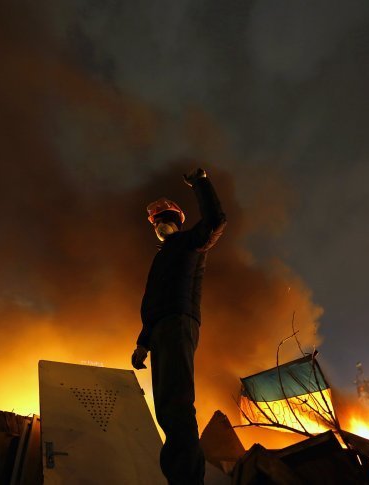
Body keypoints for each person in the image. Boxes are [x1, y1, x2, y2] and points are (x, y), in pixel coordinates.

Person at [131, 168, 226, 485]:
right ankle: (179, 477)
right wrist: (143, 343)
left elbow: (216, 219)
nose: (158, 226)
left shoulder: (190, 243)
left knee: (177, 405)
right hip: (160, 331)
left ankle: (187, 480)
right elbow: (152, 303)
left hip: (178, 325)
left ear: (175, 221)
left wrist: (201, 182)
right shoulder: (161, 258)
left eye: (162, 220)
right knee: (167, 410)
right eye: (155, 223)